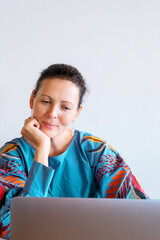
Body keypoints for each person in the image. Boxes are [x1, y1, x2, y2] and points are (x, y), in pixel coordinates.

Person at [0, 64, 148, 239]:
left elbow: (142, 215)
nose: (53, 113)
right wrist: (42, 148)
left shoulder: (96, 152)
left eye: (65, 107)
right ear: (32, 99)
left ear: (77, 112)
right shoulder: (11, 155)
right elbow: (11, 227)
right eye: (46, 101)